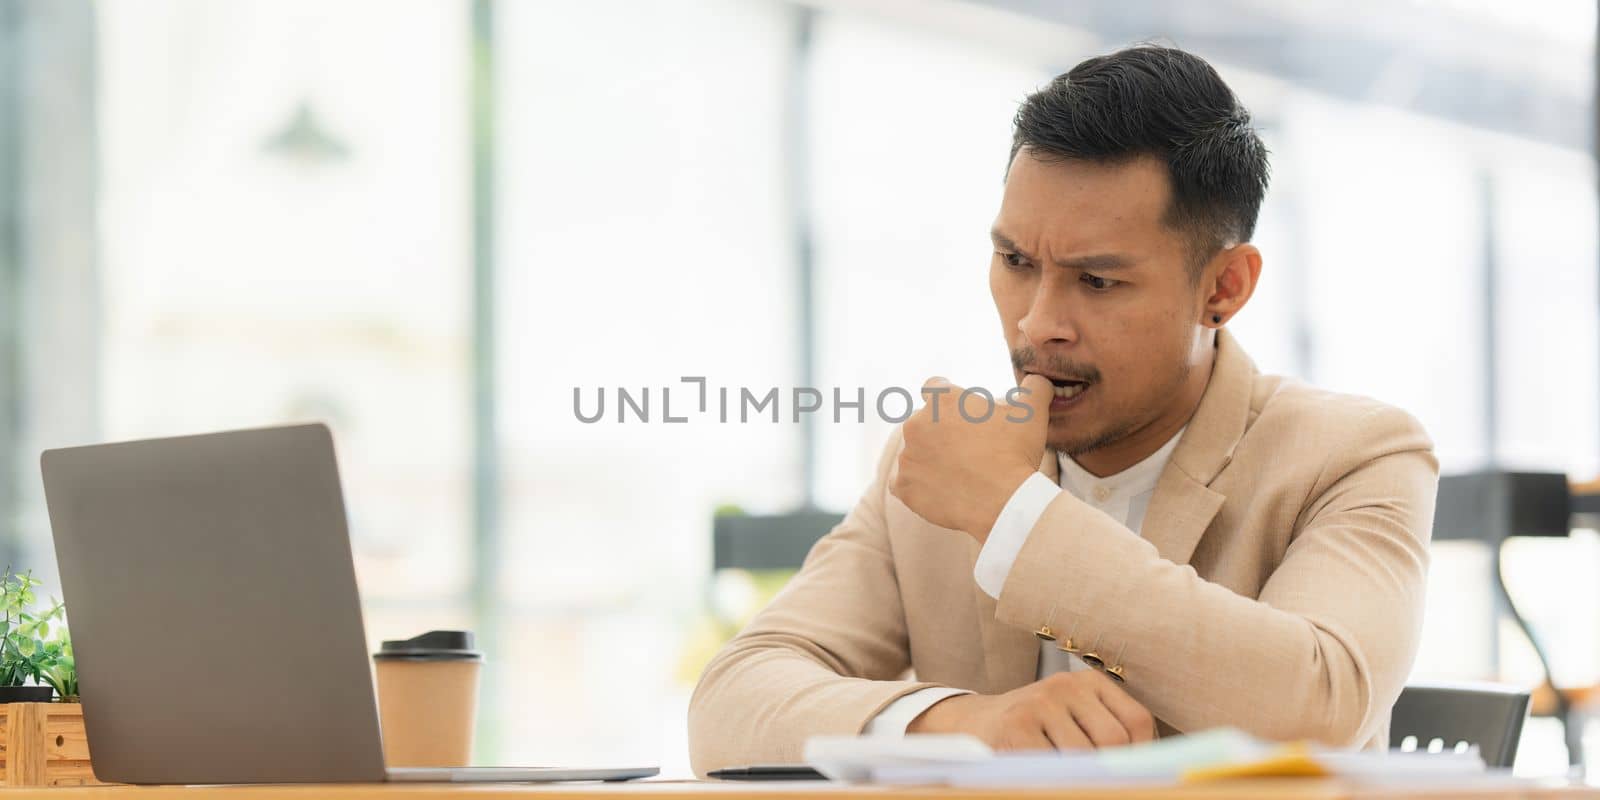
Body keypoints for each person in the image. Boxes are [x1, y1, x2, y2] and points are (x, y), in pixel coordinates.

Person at [688, 44, 1437, 774]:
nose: (1037, 322)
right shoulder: (941, 465)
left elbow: (1320, 707)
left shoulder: (1357, 453)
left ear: (1224, 289)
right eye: (1016, 263)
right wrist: (955, 722)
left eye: (1097, 281)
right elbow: (731, 702)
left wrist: (1013, 516)